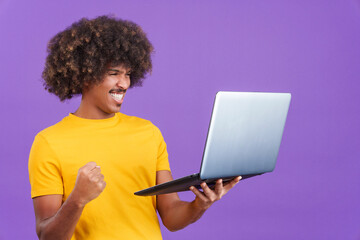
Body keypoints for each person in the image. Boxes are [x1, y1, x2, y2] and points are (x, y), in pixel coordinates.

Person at [28, 15, 241, 240]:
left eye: (127, 74)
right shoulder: (49, 142)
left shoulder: (148, 133)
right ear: (85, 76)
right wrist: (77, 199)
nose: (125, 83)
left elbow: (171, 216)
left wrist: (199, 205)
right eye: (114, 74)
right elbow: (47, 235)